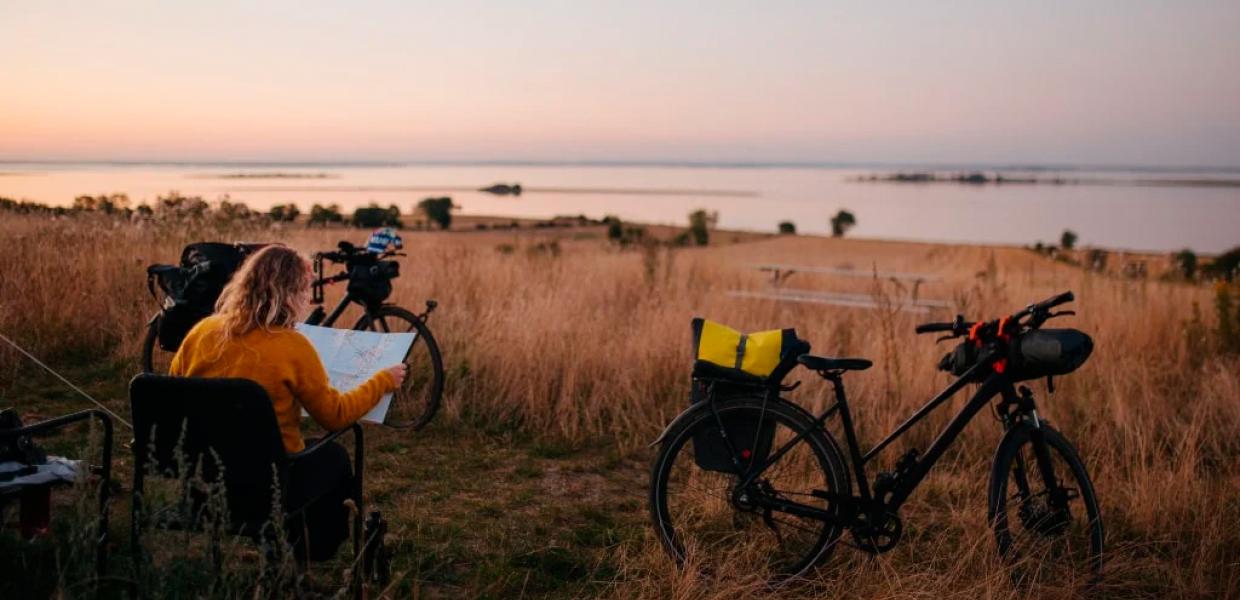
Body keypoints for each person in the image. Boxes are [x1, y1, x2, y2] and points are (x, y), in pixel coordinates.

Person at [169, 245, 406, 560]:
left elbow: (174, 395)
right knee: (332, 457)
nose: (308, 298)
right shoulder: (292, 346)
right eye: (305, 290)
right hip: (267, 488)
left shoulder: (200, 333)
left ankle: (279, 549)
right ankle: (309, 551)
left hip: (202, 482)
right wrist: (383, 380)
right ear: (291, 294)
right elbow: (335, 417)